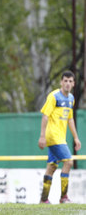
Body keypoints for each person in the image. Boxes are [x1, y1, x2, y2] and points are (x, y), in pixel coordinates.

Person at [38, 70, 82, 204]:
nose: (68, 83)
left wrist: (76, 137)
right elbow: (45, 115)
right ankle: (64, 197)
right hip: (53, 136)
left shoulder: (71, 99)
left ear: (73, 83)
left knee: (51, 167)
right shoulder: (54, 96)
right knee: (68, 162)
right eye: (65, 81)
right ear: (61, 82)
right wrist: (42, 136)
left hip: (60, 137)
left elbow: (70, 120)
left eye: (70, 81)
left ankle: (44, 199)